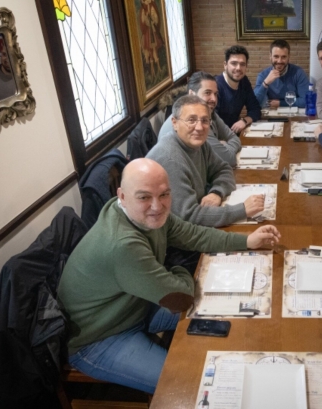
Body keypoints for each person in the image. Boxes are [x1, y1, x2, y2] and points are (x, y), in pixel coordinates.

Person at [58, 158, 281, 394]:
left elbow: (193, 235)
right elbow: (181, 298)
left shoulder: (135, 212)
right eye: (144, 197)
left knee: (233, 315)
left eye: (164, 194)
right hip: (99, 337)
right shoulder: (122, 244)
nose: (157, 205)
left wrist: (247, 241)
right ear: (121, 195)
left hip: (135, 305)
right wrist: (176, 270)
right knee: (187, 384)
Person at [149, 94, 265, 227]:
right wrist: (242, 210)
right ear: (175, 123)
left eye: (205, 120)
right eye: (191, 120)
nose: (199, 127)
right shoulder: (170, 159)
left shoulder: (199, 144)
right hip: (173, 239)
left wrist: (216, 193)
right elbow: (190, 216)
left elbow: (223, 169)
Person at [159, 71, 241, 166]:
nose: (214, 99)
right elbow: (228, 159)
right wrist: (225, 146)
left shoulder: (208, 112)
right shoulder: (197, 124)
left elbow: (233, 137)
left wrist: (225, 146)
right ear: (191, 94)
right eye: (207, 93)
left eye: (215, 94)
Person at [215, 45, 262, 133]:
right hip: (219, 137)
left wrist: (244, 121)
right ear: (225, 65)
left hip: (235, 133)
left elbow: (255, 109)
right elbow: (212, 121)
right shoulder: (216, 86)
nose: (238, 68)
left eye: (242, 64)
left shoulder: (244, 81)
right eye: (234, 63)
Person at [254, 39, 308, 109]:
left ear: (289, 57)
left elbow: (306, 101)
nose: (279, 61)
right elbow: (255, 103)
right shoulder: (263, 75)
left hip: (294, 115)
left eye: (284, 57)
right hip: (271, 115)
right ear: (270, 56)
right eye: (276, 56)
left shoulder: (298, 73)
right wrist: (265, 83)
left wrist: (280, 103)